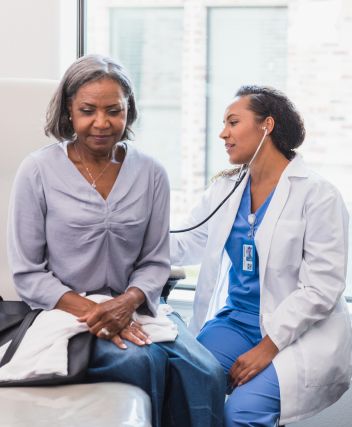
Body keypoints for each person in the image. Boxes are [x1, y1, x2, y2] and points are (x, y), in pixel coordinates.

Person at [7, 54, 225, 427]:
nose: (102, 123)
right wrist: (96, 312)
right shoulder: (37, 170)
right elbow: (28, 272)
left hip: (135, 306)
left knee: (207, 372)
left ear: (129, 111)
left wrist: (125, 304)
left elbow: (155, 261)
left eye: (114, 110)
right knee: (139, 362)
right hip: (66, 312)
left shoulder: (151, 173)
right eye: (88, 110)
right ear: (69, 113)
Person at [171, 85, 352, 426]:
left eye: (233, 122)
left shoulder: (317, 195)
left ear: (266, 125)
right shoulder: (225, 189)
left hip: (298, 333)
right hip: (237, 323)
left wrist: (268, 347)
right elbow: (184, 243)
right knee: (183, 383)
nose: (223, 133)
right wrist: (126, 233)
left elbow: (322, 288)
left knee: (240, 413)